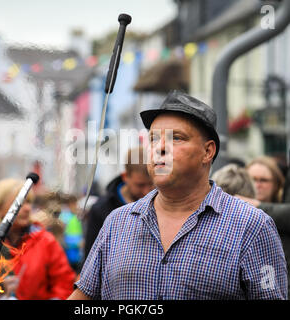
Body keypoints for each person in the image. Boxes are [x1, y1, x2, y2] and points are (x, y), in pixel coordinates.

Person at [68, 90, 287, 300]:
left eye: (177, 138)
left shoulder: (252, 226)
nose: (160, 148)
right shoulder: (117, 222)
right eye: (153, 138)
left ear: (207, 152)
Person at [0, 178, 76, 300]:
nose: (27, 208)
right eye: (20, 203)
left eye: (29, 202)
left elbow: (64, 282)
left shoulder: (45, 241)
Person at [83, 146, 154, 261]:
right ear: (125, 177)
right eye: (140, 185)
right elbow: (90, 257)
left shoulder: (160, 204)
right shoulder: (102, 209)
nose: (146, 191)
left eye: (151, 184)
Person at [59, 195, 84, 273]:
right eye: (75, 204)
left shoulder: (77, 217)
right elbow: (61, 238)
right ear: (70, 204)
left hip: (77, 256)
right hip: (67, 256)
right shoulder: (63, 217)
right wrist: (76, 244)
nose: (76, 207)